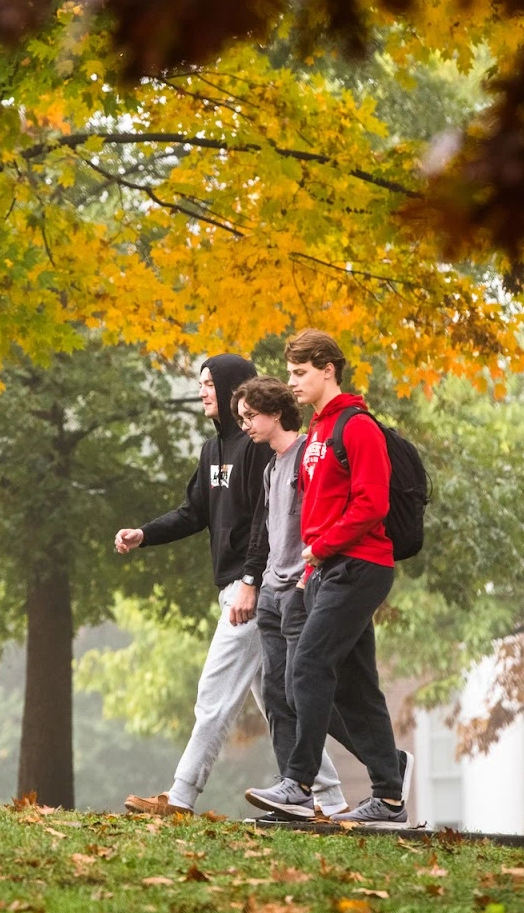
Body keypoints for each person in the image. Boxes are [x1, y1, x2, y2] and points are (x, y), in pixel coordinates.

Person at [115, 355, 347, 817]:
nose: (202, 392)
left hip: (255, 591)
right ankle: (333, 798)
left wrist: (251, 582)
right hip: (236, 588)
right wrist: (144, 534)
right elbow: (193, 512)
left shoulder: (259, 443)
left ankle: (180, 797)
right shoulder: (211, 451)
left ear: (230, 387)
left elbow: (269, 520)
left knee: (215, 692)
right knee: (280, 703)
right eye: (199, 384)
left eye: (208, 384)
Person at [245, 329, 412, 827]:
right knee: (355, 688)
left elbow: (372, 503)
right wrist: (308, 569)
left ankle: (297, 783)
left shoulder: (357, 427)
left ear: (327, 370)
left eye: (300, 373)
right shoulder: (318, 432)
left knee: (308, 666)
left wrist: (322, 547)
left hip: (361, 565)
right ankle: (390, 793)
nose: (292, 382)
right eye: (291, 372)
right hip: (324, 571)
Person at [235, 375, 354, 822]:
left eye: (251, 416)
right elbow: (266, 532)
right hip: (272, 591)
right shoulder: (270, 467)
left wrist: (309, 576)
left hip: (303, 589)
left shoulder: (310, 453)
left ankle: (384, 761)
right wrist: (259, 583)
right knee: (276, 694)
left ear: (276, 412)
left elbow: (325, 519)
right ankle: (293, 793)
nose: (245, 425)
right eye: (241, 418)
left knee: (302, 689)